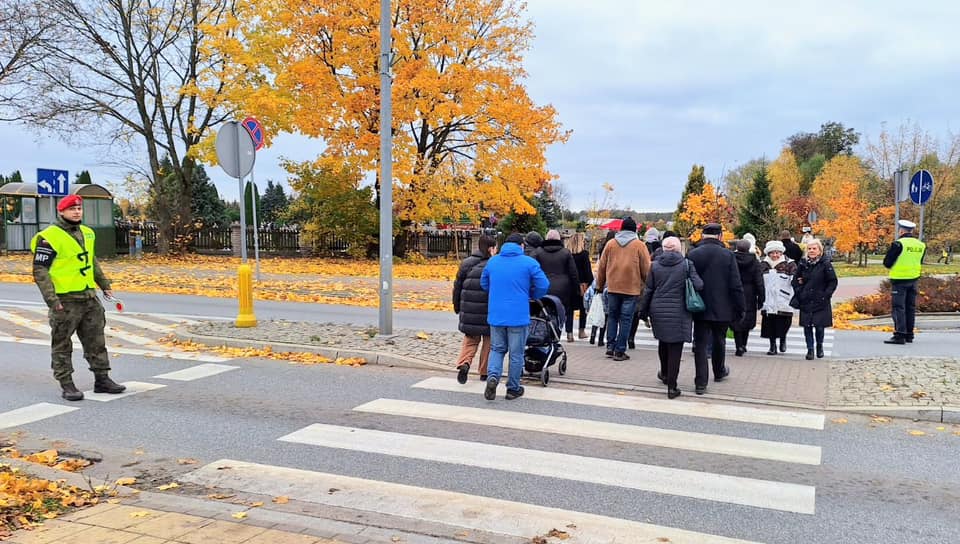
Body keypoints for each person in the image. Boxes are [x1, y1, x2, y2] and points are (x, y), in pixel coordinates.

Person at [30, 195, 126, 401]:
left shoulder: (87, 233)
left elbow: (91, 261)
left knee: (96, 341)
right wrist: (52, 300)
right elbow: (40, 270)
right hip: (66, 301)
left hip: (89, 298)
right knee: (62, 343)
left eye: (79, 209)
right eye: (72, 209)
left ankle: (102, 379)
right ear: (61, 212)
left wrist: (104, 285)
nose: (76, 212)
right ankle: (67, 384)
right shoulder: (49, 237)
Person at [480, 233, 549, 400]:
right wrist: (532, 294)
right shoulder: (529, 263)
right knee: (516, 354)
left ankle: (493, 377)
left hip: (496, 314)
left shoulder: (493, 261)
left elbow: (484, 283)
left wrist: (497, 292)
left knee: (497, 349)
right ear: (522, 246)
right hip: (518, 316)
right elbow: (544, 285)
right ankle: (512, 388)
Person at [638, 237, 702, 399]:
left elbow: (648, 290)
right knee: (675, 348)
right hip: (679, 311)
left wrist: (643, 311)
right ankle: (672, 387)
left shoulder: (655, 266)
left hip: (658, 309)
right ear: (679, 248)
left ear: (664, 249)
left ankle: (665, 373)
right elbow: (699, 285)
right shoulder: (687, 265)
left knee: (663, 341)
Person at [687, 223, 744, 394]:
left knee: (701, 344)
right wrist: (740, 307)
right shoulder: (727, 255)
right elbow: (735, 284)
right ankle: (719, 371)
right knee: (720, 340)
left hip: (699, 305)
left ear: (703, 235)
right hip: (723, 305)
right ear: (720, 236)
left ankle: (700, 382)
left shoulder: (693, 254)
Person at [595, 217, 651, 361]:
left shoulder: (611, 244)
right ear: (634, 230)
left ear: (621, 229)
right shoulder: (639, 245)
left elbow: (601, 267)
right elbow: (646, 269)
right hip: (631, 289)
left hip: (613, 287)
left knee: (612, 317)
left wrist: (600, 286)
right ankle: (620, 350)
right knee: (626, 319)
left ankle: (610, 346)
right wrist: (647, 285)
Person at [452, 235, 496, 384]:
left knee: (470, 340)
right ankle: (484, 372)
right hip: (488, 311)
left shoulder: (466, 263)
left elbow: (457, 287)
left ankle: (464, 363)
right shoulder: (494, 264)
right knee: (489, 342)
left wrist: (457, 306)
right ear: (491, 249)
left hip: (469, 310)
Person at [792, 238, 837, 359]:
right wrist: (799, 290)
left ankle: (819, 346)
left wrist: (826, 295)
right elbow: (795, 280)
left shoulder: (825, 263)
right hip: (806, 299)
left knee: (819, 326)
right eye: (809, 248)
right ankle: (810, 349)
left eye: (814, 248)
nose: (811, 251)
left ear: (819, 250)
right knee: (807, 326)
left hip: (820, 300)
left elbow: (832, 281)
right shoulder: (803, 263)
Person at [883, 219, 926, 344]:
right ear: (912, 231)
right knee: (910, 308)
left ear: (901, 230)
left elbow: (887, 262)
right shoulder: (921, 245)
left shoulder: (898, 244)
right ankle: (909, 334)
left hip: (899, 280)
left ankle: (899, 335)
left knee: (898, 307)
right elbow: (920, 261)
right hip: (914, 279)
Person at [535, 230, 580, 342]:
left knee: (543, 311)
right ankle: (562, 334)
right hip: (563, 288)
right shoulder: (565, 253)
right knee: (564, 312)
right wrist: (576, 289)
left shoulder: (538, 252)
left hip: (543, 287)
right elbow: (573, 273)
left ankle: (544, 335)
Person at [760, 240, 797, 355]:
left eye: (777, 253)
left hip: (783, 298)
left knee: (784, 322)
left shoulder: (790, 264)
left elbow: (795, 279)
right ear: (768, 253)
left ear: (781, 253)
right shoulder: (763, 264)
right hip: (768, 298)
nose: (775, 255)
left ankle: (782, 339)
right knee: (770, 323)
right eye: (772, 253)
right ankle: (772, 346)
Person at [731, 239, 764, 356]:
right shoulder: (754, 261)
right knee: (748, 318)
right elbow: (759, 281)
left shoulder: (731, 259)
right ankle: (743, 344)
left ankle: (738, 344)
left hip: (734, 291)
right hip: (750, 292)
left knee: (736, 318)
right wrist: (761, 297)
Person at [565, 232, 594, 339]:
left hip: (569, 285)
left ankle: (569, 333)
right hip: (582, 285)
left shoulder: (567, 254)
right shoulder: (584, 254)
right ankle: (581, 331)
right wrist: (590, 283)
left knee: (569, 310)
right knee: (583, 309)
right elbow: (587, 271)